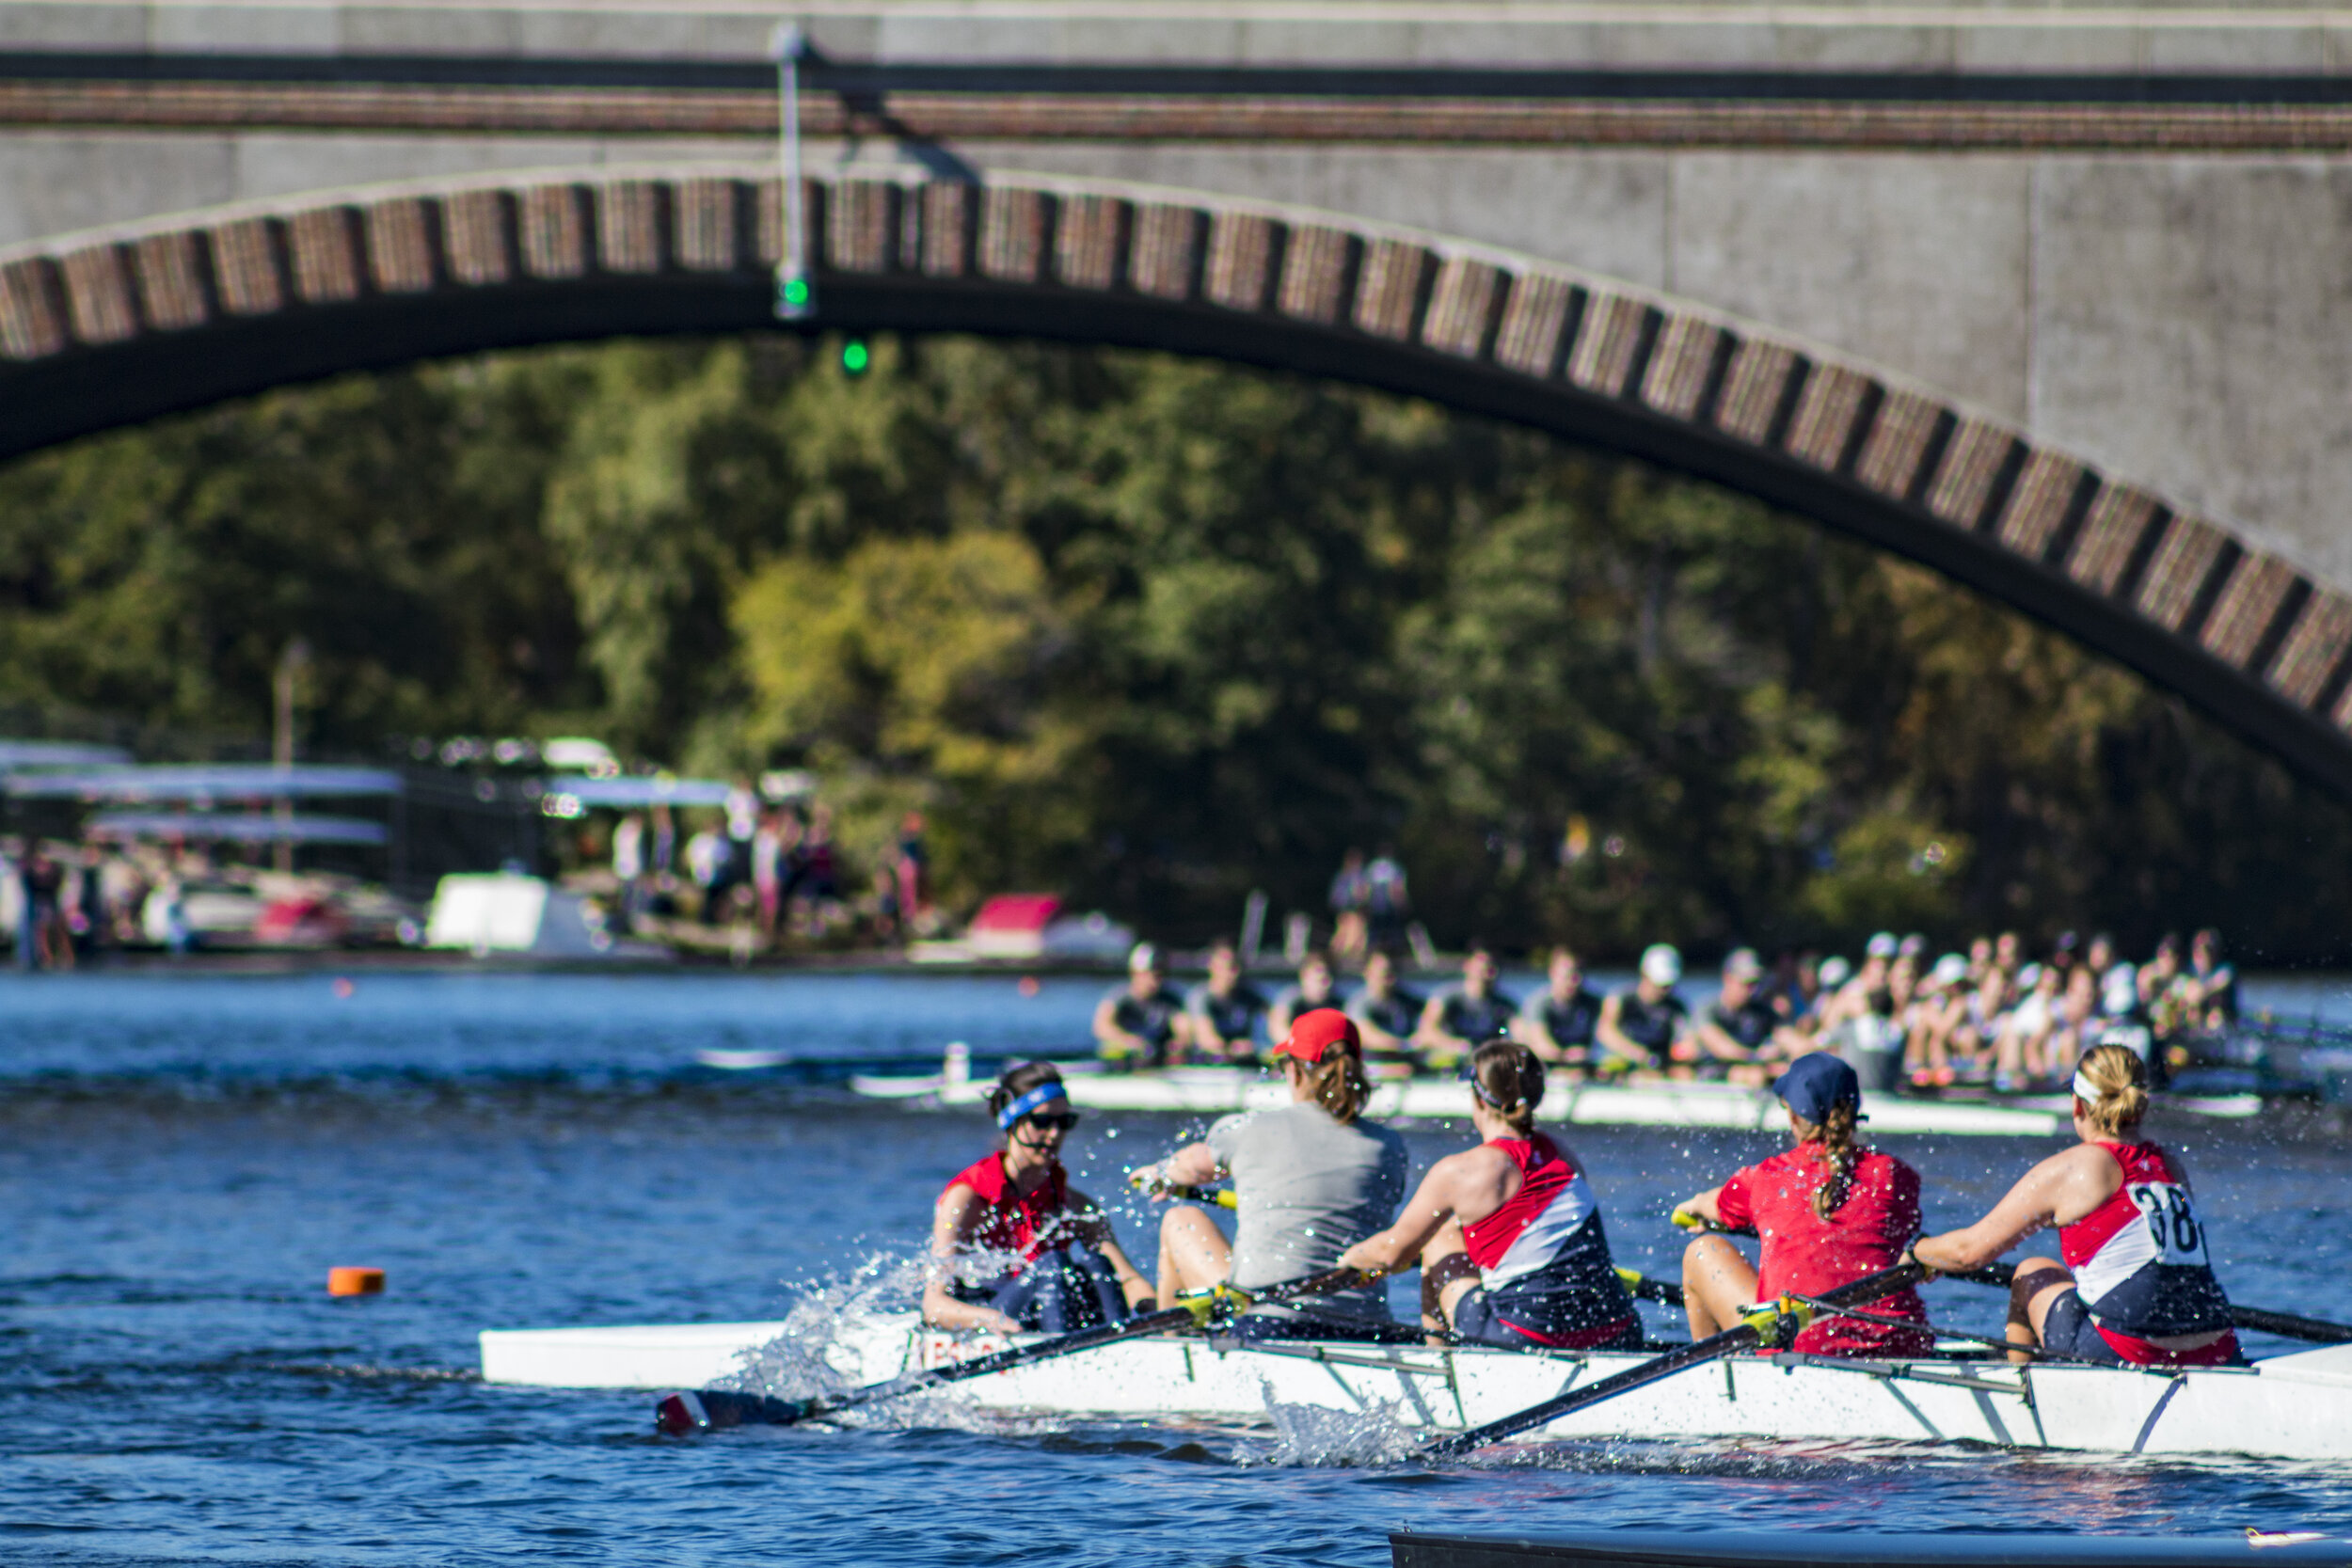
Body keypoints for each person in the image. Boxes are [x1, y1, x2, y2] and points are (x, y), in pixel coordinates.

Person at [1910, 1042, 2240, 1368]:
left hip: (2130, 1351)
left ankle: (2022, 1385)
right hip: (2219, 1348)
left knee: (2031, 1272)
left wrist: (1917, 1251)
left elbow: (1969, 1252)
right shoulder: (2169, 1164)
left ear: (2077, 1105)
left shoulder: (2076, 1168)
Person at [1339, 1039, 1640, 1351]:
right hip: (1619, 1331)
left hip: (1524, 1337)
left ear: (1479, 1100)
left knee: (1438, 1240)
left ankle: (1436, 1359)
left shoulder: (1460, 1171)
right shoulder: (1561, 1153)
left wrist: (1353, 1259)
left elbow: (1391, 1252)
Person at [1134, 1009, 1408, 1338]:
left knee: (1181, 1220)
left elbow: (1191, 1166)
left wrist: (1159, 1174)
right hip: (1368, 1329)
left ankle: (1171, 1347)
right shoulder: (1390, 1146)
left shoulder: (1247, 1128)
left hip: (1268, 1324)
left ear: (1294, 1071)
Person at [1673, 1053, 1933, 1358]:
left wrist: (1694, 1207)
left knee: (1702, 1252)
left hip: (1797, 1345)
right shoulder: (1894, 1174)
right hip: (1899, 1345)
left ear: (1794, 1117)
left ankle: (1712, 1374)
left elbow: (1710, 1205)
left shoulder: (1763, 1179)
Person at [923, 1062, 1156, 1334]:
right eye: (1042, 1121)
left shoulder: (1076, 1206)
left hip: (1047, 1316)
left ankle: (1123, 1340)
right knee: (1053, 1264)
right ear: (1011, 1121)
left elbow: (1128, 1279)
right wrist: (993, 1321)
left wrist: (1156, 1310)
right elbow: (934, 1305)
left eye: (1064, 1122)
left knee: (1097, 1264)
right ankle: (1070, 1347)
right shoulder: (967, 1199)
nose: (1055, 1134)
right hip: (995, 1319)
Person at [1414, 945, 1517, 1071]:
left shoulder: (1506, 1005)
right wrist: (1456, 1045)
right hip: (1454, 1060)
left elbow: (1520, 1035)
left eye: (1494, 969)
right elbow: (1425, 1032)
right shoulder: (1446, 997)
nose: (1490, 974)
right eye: (1485, 968)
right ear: (1467, 966)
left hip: (1488, 1062)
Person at [1692, 947, 1786, 1082]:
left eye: (1755, 983)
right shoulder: (1707, 1008)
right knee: (1751, 1075)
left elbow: (1787, 1036)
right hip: (1715, 1077)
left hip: (1755, 1069)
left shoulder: (1761, 1010)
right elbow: (1722, 1048)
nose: (1753, 990)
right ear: (1727, 978)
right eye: (1746, 983)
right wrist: (1760, 1057)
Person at [1596, 943, 1689, 1075]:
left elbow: (1686, 1039)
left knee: (1683, 1071)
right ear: (1644, 975)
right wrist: (1638, 1054)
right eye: (1660, 984)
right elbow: (1605, 1032)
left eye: (1669, 985)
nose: (1665, 990)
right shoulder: (1620, 999)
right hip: (1623, 1062)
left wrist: (1684, 1052)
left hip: (1659, 1067)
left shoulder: (1677, 1007)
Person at [1093, 942, 1185, 1069]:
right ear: (1134, 973)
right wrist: (1129, 1041)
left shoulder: (1170, 1000)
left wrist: (1180, 1043)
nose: (1154, 980)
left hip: (1158, 1061)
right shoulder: (1120, 997)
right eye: (1148, 973)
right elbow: (1101, 1027)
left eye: (1159, 975)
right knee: (1112, 1048)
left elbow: (1183, 1028)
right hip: (1123, 1062)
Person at [1513, 945, 1602, 1069]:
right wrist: (1567, 1056)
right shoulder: (1537, 1004)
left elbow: (1608, 1033)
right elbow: (1541, 1045)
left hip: (1582, 1067)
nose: (1575, 981)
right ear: (1552, 973)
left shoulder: (1594, 1003)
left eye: (1580, 973)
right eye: (1569, 975)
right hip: (1548, 1066)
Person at [1186, 941, 1269, 1063]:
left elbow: (1275, 1019)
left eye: (1239, 967)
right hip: (1209, 1062)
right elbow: (1206, 1039)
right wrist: (1234, 1048)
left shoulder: (1250, 996)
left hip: (1242, 1062)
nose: (1236, 973)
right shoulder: (1200, 998)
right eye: (1230, 967)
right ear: (1212, 967)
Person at [1346, 948, 1423, 1072]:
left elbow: (1427, 1028)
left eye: (1393, 972)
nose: (1390, 979)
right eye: (1384, 973)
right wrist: (1407, 1045)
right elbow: (1368, 1036)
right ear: (1367, 973)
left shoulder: (1408, 1002)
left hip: (1406, 1063)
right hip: (1371, 1066)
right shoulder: (1358, 1004)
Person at [1267, 949, 1342, 1042]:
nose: (1328, 985)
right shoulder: (1290, 999)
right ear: (1304, 977)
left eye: (1331, 979)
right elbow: (1277, 1029)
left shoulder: (1339, 1004)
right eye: (1321, 980)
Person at [1327, 849, 1370, 966]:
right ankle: (1342, 960)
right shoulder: (1351, 877)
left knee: (1350, 937)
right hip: (1351, 912)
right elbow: (1361, 895)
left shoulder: (1342, 876)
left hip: (1353, 912)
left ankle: (1338, 958)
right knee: (1351, 937)